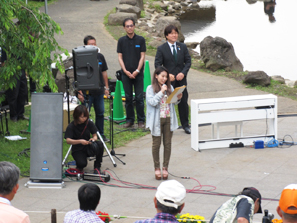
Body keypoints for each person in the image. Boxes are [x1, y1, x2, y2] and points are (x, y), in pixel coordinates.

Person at [146, 66, 182, 180]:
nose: (164, 79)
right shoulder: (150, 88)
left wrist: (178, 98)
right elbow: (151, 102)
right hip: (157, 120)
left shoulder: (169, 87)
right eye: (162, 76)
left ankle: (165, 167)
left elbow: (172, 103)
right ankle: (157, 168)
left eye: (166, 77)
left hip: (168, 118)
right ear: (156, 76)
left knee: (168, 144)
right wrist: (161, 92)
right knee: (156, 144)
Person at [155, 24, 191, 134]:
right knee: (166, 102)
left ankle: (185, 125)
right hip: (168, 81)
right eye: (171, 33)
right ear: (166, 35)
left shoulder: (182, 47)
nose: (174, 35)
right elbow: (157, 64)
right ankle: (166, 125)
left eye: (175, 33)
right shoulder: (161, 49)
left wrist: (183, 73)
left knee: (183, 102)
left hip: (181, 80)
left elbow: (188, 62)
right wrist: (166, 75)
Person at [77, 35, 110, 142]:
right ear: (85, 45)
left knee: (100, 113)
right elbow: (77, 75)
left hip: (99, 91)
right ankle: (83, 134)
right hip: (86, 92)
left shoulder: (100, 57)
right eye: (91, 44)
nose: (94, 46)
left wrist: (106, 87)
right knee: (84, 114)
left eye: (95, 44)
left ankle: (100, 133)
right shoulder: (81, 58)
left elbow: (104, 72)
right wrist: (79, 92)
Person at [117, 18, 146, 128]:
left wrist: (137, 70)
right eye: (127, 26)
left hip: (138, 74)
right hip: (126, 74)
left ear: (134, 26)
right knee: (128, 98)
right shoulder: (121, 41)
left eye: (131, 25)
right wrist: (125, 70)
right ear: (124, 28)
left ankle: (141, 120)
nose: (129, 28)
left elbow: (142, 56)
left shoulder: (140, 40)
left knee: (139, 98)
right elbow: (120, 57)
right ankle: (129, 120)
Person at [65, 105, 104, 173]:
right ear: (77, 116)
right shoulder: (71, 126)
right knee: (82, 164)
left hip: (88, 146)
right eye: (82, 117)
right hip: (78, 149)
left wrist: (93, 139)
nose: (84, 119)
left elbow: (95, 135)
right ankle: (79, 165)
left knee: (100, 144)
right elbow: (68, 140)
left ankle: (97, 166)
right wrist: (80, 141)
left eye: (85, 117)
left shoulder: (89, 123)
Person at [1, 48, 28, 122]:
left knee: (23, 92)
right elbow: (3, 60)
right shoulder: (8, 43)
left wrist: (24, 70)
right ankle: (13, 116)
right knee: (13, 94)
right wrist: (6, 73)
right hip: (12, 70)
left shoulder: (20, 41)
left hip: (21, 69)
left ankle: (20, 114)